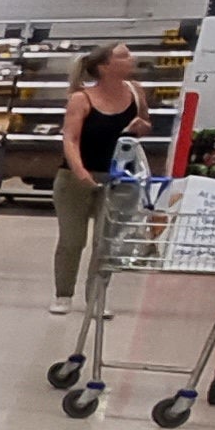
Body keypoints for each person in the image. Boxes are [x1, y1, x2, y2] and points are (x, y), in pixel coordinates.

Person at [52, 42, 144, 311]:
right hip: (75, 178)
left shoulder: (136, 93)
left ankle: (96, 298)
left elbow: (142, 127)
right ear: (105, 66)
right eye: (123, 55)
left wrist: (143, 126)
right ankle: (63, 295)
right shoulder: (81, 98)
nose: (131, 58)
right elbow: (70, 138)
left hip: (118, 178)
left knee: (106, 241)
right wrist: (80, 172)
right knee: (72, 240)